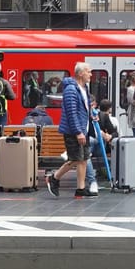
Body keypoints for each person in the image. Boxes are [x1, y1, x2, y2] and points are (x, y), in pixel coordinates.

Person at [47, 62, 95, 198]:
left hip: (83, 129)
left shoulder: (84, 88)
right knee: (76, 158)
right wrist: (78, 132)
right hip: (73, 131)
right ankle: (54, 177)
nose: (91, 74)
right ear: (80, 73)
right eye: (88, 71)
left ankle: (81, 189)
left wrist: (91, 115)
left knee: (84, 158)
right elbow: (71, 113)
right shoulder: (71, 90)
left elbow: (83, 108)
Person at [84, 98, 119, 193]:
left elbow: (115, 133)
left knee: (91, 142)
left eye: (92, 105)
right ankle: (92, 181)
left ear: (95, 105)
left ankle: (69, 153)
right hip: (88, 145)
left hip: (100, 146)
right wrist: (99, 133)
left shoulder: (103, 116)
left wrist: (109, 135)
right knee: (89, 143)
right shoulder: (83, 116)